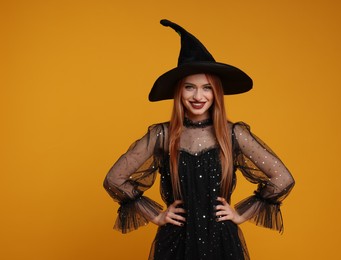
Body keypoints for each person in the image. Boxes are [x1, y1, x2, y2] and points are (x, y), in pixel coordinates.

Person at [103, 19, 295, 260]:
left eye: (206, 87)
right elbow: (114, 178)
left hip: (221, 242)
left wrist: (240, 214)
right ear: (178, 91)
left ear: (216, 92)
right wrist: (157, 216)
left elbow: (283, 178)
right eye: (189, 87)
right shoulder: (162, 135)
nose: (198, 96)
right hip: (175, 242)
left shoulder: (233, 134)